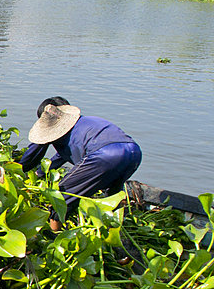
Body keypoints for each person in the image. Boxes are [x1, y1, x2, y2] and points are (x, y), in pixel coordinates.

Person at [20, 97, 142, 231]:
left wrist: (17, 169)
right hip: (134, 152)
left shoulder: (52, 128)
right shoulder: (84, 123)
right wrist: (40, 173)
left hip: (105, 155)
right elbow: (61, 156)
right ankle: (116, 227)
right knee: (112, 194)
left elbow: (31, 156)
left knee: (61, 196)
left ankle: (55, 235)